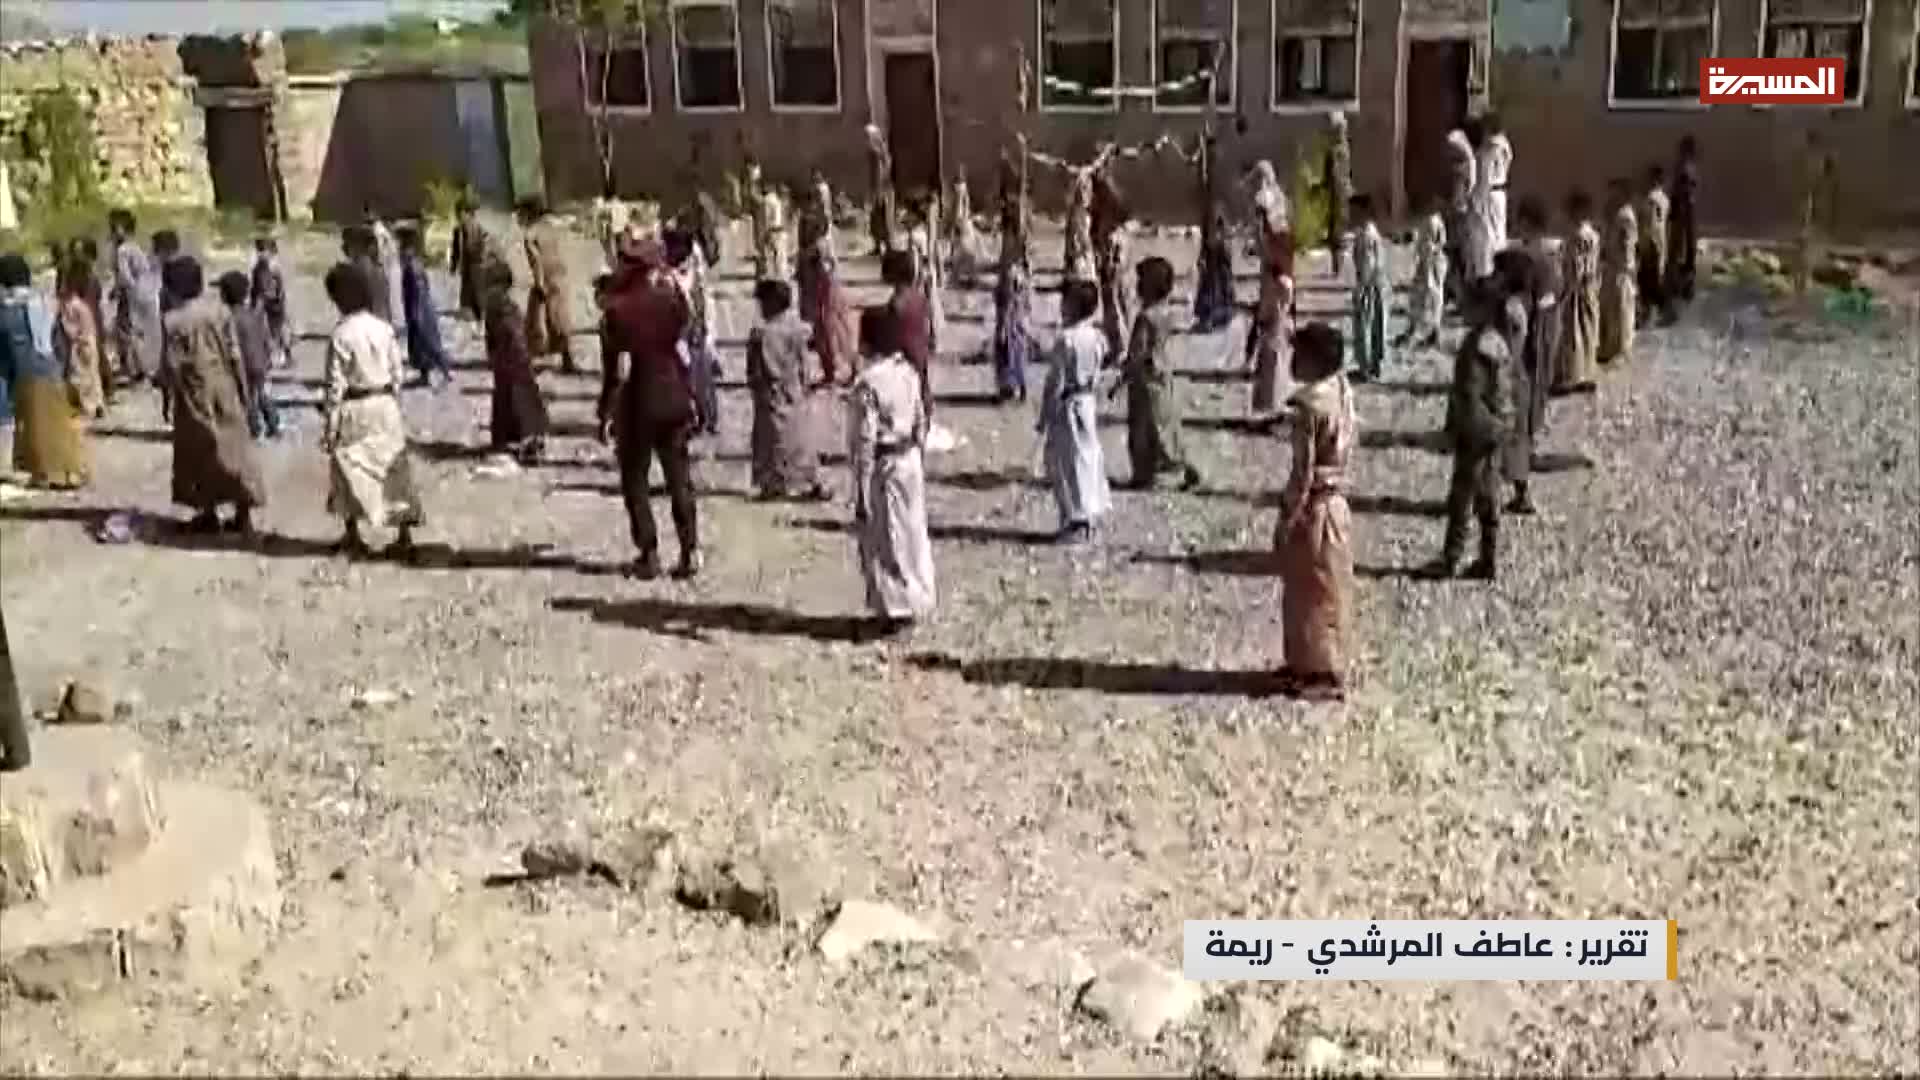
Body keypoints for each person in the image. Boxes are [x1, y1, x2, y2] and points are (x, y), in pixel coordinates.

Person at [599, 237, 700, 579]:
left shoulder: (617, 312)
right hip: (673, 395)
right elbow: (685, 336)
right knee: (679, 478)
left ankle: (649, 552)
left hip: (637, 402)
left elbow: (616, 371)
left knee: (635, 481)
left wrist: (606, 412)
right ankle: (690, 548)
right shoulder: (670, 301)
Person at [1273, 321, 1356, 702]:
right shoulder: (1341, 389)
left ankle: (1319, 671)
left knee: (1311, 592)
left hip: (1315, 508)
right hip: (1337, 504)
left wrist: (1287, 516)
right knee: (1329, 588)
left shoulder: (1307, 407)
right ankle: (1314, 663)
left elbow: (1302, 472)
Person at [321, 262, 426, 560]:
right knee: (394, 468)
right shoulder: (384, 329)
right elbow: (397, 373)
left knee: (348, 468)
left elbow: (335, 386)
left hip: (355, 406)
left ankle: (353, 534)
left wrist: (330, 425)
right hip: (385, 403)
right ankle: (404, 533)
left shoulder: (340, 335)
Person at [160, 256, 265, 535]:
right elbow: (235, 355)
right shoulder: (220, 312)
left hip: (193, 391)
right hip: (225, 385)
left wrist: (168, 397)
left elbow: (171, 364)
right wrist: (243, 391)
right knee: (235, 448)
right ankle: (243, 512)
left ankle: (208, 512)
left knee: (199, 452)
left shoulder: (173, 321)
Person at [847, 304, 935, 635]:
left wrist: (860, 486)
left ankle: (897, 609)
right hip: (909, 459)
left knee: (889, 535)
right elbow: (921, 418)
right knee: (913, 532)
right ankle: (919, 596)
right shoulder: (908, 372)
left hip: (885, 464)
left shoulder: (868, 384)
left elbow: (864, 439)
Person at [1424, 271, 1513, 581]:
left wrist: (1458, 430)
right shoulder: (1498, 341)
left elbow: (1469, 395)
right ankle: (1489, 558)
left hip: (1477, 432)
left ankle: (1451, 558)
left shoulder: (1475, 346)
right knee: (1490, 494)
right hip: (1497, 427)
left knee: (1462, 497)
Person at [1, 254, 90, 489]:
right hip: (52, 367)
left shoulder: (9, 310)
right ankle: (70, 472)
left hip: (28, 372)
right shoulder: (41, 302)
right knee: (58, 424)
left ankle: (49, 474)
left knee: (38, 428)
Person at [1119, 256, 1201, 491]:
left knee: (1143, 428)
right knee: (1164, 424)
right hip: (1162, 374)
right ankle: (1180, 462)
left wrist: (1124, 373)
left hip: (1144, 380)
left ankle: (1146, 473)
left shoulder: (1145, 318)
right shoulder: (1166, 313)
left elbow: (1138, 350)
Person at [1038, 280, 1111, 543]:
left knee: (1067, 460)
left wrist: (1045, 414)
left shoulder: (1067, 340)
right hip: (1087, 402)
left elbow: (1054, 380)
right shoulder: (1097, 338)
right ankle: (1091, 513)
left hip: (1068, 405)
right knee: (1088, 457)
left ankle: (1077, 519)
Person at [746, 279, 826, 502]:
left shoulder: (763, 334)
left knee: (771, 442)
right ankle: (808, 480)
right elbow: (805, 362)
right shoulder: (798, 328)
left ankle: (772, 483)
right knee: (801, 439)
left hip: (774, 394)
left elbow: (759, 371)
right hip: (795, 391)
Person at [1510, 197, 1561, 515]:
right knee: (1529, 417)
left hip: (1527, 347)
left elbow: (1519, 310)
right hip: (1545, 345)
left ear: (1528, 223)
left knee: (1517, 421)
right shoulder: (1551, 261)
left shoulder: (1526, 262)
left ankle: (1521, 490)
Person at [480, 260, 549, 463]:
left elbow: (515, 336)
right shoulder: (497, 307)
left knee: (518, 400)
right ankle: (514, 438)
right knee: (509, 399)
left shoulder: (505, 309)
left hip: (514, 361)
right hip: (507, 362)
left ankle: (528, 441)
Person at [663, 226, 720, 437]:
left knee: (702, 378)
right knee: (684, 378)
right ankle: (691, 418)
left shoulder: (695, 269)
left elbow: (705, 300)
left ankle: (708, 418)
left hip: (696, 329)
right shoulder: (666, 275)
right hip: (677, 332)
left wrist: (709, 332)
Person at [519, 197, 579, 374]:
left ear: (529, 213)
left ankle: (530, 360)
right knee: (560, 318)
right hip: (560, 275)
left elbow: (536, 261)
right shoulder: (553, 228)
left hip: (546, 278)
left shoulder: (530, 234)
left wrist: (539, 284)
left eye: (521, 213)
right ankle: (567, 358)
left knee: (535, 321)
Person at [217, 271, 280, 440]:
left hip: (245, 365)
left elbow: (231, 345)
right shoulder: (253, 315)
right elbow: (265, 338)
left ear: (224, 295)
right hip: (260, 362)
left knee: (247, 397)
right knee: (262, 394)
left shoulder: (230, 319)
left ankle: (254, 427)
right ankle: (273, 423)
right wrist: (268, 358)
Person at [796, 208, 856, 386]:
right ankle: (830, 371)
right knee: (824, 336)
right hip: (817, 298)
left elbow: (828, 271)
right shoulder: (807, 251)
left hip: (825, 297)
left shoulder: (818, 248)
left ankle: (849, 368)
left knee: (834, 334)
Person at [1555, 189, 1602, 395]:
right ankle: (1588, 372)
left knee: (1574, 332)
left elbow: (1576, 266)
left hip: (1577, 289)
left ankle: (1574, 376)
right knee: (1589, 330)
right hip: (1590, 287)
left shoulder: (1576, 236)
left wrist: (1566, 292)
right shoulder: (1593, 234)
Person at [108, 209, 161, 386]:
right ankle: (139, 367)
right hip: (145, 293)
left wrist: (119, 290)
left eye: (113, 227)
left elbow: (125, 276)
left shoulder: (122, 250)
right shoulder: (135, 246)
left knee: (126, 332)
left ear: (120, 228)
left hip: (132, 296)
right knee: (137, 331)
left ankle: (133, 368)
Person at [883, 248, 936, 420]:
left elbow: (892, 333)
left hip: (904, 353)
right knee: (921, 385)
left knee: (906, 392)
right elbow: (928, 321)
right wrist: (930, 340)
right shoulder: (919, 297)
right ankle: (925, 416)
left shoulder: (896, 302)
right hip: (919, 349)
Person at [53, 256, 106, 428]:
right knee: (90, 374)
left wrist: (80, 338)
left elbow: (83, 325)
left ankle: (89, 408)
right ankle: (97, 404)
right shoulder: (72, 304)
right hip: (84, 341)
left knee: (82, 376)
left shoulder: (74, 304)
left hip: (82, 342)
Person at [396, 226, 451, 387]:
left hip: (419, 309)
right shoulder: (414, 263)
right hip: (419, 308)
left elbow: (418, 291)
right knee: (420, 346)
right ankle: (426, 376)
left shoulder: (411, 266)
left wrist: (415, 314)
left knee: (428, 342)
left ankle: (445, 370)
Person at [1090, 165, 1132, 359]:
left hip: (1112, 252)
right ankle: (1120, 344)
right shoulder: (1107, 194)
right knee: (1117, 300)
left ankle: (1120, 347)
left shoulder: (1106, 194)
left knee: (1113, 301)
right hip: (1112, 250)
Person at [1347, 194, 1389, 382]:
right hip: (1376, 284)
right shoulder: (1369, 232)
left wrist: (1360, 288)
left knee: (1365, 327)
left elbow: (1368, 264)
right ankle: (1374, 365)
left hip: (1369, 286)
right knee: (1376, 326)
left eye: (1354, 212)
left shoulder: (1365, 235)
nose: (1351, 216)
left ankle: (1366, 368)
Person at [1466, 114, 1512, 285]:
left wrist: (1475, 201)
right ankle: (1498, 270)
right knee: (1497, 233)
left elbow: (1484, 177)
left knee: (1485, 236)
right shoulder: (1504, 146)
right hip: (1499, 193)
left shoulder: (1490, 149)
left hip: (1488, 194)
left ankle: (1485, 275)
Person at [1598, 178, 1638, 367]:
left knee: (1621, 308)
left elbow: (1627, 244)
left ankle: (1621, 348)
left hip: (1620, 268)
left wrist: (1625, 266)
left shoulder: (1625, 216)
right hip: (1611, 266)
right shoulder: (1613, 213)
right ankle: (1610, 346)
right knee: (1610, 308)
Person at [1400, 194, 1447, 350]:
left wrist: (1426, 272)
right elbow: (1441, 241)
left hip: (1430, 263)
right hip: (1431, 262)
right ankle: (1420, 331)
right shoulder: (1433, 220)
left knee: (1426, 298)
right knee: (1424, 298)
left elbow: (1431, 244)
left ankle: (1426, 332)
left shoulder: (1431, 221)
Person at [991, 251, 1033, 405]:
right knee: (1018, 358)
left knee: (1006, 358)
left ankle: (1007, 390)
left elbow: (1006, 309)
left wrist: (1002, 328)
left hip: (1010, 327)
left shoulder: (1008, 286)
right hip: (1020, 327)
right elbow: (1027, 309)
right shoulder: (1024, 287)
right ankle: (1019, 389)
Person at [1665, 135, 1699, 318]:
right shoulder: (1687, 168)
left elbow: (1682, 194)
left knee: (1681, 252)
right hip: (1684, 215)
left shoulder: (1684, 169)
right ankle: (1681, 290)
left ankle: (1680, 291)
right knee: (1683, 252)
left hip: (1683, 216)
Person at [449, 197, 499, 320]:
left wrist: (484, 259)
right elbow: (455, 250)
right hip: (466, 268)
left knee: (479, 295)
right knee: (467, 297)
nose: (458, 215)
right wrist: (453, 266)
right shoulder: (457, 230)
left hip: (478, 267)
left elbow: (487, 247)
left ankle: (483, 318)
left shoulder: (479, 228)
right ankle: (470, 318)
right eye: (457, 212)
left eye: (460, 212)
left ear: (469, 213)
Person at [1444, 127, 1477, 306]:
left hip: (1459, 213)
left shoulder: (1464, 168)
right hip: (1454, 212)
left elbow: (1465, 191)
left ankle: (1460, 293)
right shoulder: (1459, 166)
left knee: (1457, 254)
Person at [251, 235, 291, 370]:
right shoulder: (262, 266)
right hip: (267, 302)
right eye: (259, 250)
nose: (260, 253)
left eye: (263, 250)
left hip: (272, 303)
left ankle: (280, 357)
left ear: (271, 251)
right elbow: (257, 287)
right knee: (271, 331)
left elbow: (277, 287)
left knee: (276, 330)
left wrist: (274, 300)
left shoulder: (272, 266)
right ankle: (273, 357)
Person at [1637, 165, 1671, 325]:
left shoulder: (1650, 199)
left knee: (1647, 280)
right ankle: (1649, 313)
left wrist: (1643, 243)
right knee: (1654, 278)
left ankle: (1657, 311)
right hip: (1660, 242)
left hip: (1651, 243)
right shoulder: (1665, 199)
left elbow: (1649, 224)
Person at [366, 206, 406, 340]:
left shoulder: (378, 231)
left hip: (387, 267)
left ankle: (392, 325)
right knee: (392, 297)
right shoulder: (382, 230)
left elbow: (380, 252)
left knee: (389, 298)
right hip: (390, 266)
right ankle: (394, 324)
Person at [1194, 204, 1235, 334]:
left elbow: (1225, 265)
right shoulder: (1215, 244)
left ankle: (1210, 319)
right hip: (1213, 278)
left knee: (1214, 294)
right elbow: (1202, 257)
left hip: (1217, 278)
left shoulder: (1223, 245)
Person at [1322, 112, 1354, 276]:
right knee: (1335, 228)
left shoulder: (1341, 149)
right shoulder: (1338, 149)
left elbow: (1337, 173)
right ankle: (1337, 264)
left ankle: (1339, 265)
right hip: (1337, 192)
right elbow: (1328, 174)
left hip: (1340, 192)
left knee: (1339, 228)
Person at [342, 225, 392, 327]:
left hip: (368, 325)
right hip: (382, 324)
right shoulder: (377, 268)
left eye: (348, 244)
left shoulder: (357, 270)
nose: (344, 248)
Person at [865, 125, 898, 256]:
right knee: (876, 218)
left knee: (885, 219)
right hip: (881, 189)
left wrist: (878, 192)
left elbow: (881, 172)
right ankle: (879, 245)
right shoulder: (876, 151)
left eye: (868, 136)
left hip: (884, 190)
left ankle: (889, 247)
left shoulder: (877, 152)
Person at [947, 176, 983, 289]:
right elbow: (959, 216)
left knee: (965, 255)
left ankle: (965, 279)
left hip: (965, 229)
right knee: (964, 256)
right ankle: (964, 279)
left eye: (960, 186)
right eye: (958, 187)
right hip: (964, 229)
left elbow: (960, 216)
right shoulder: (961, 199)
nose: (959, 189)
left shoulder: (962, 198)